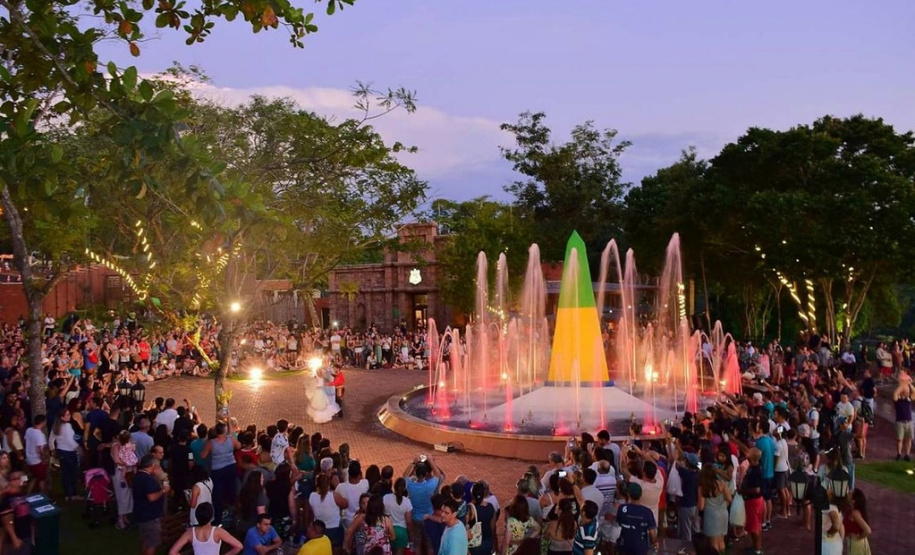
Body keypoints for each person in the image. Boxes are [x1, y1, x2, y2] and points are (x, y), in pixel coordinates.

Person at [168, 502, 243, 555]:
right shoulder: (217, 531)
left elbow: (172, 552)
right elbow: (238, 546)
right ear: (211, 516)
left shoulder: (190, 532)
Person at [134, 453, 170, 555]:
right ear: (153, 464)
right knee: (152, 543)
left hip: (140, 513)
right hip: (150, 515)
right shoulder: (148, 479)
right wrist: (163, 491)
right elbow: (151, 497)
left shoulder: (138, 476)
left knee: (145, 541)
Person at [614, 483, 658, 555]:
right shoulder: (647, 512)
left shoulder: (622, 508)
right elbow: (652, 532)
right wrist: (655, 542)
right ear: (640, 495)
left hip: (625, 544)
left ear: (628, 494)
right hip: (640, 546)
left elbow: (619, 523)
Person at [697, 463, 731, 554]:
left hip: (711, 515)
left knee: (713, 543)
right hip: (723, 512)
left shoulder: (703, 487)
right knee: (721, 540)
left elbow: (701, 506)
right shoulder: (722, 483)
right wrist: (723, 506)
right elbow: (729, 498)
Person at [740, 448, 765, 555]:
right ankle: (756, 547)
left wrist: (742, 491)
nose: (747, 453)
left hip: (753, 501)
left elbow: (757, 489)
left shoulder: (756, 471)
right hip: (754, 500)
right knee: (755, 525)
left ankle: (757, 550)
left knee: (755, 527)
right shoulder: (754, 467)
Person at [383, 478, 413, 555]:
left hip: (389, 530)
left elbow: (384, 514)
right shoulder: (407, 502)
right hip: (402, 532)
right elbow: (409, 522)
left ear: (394, 487)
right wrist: (410, 536)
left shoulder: (386, 498)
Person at [468, 482, 497, 555]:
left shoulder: (470, 508)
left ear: (472, 494)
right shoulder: (490, 507)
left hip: (475, 544)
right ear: (484, 494)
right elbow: (493, 528)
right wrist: (493, 542)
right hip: (487, 542)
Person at [23, 414, 49, 495]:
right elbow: (40, 450)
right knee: (42, 479)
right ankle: (43, 495)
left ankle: (28, 494)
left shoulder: (29, 430)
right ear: (42, 422)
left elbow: (25, 441)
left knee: (34, 477)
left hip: (29, 459)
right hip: (37, 461)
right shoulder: (40, 435)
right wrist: (43, 459)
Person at [843, 488, 872, 555]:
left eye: (849, 494)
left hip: (857, 544)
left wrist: (858, 538)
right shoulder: (851, 510)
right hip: (853, 543)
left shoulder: (855, 514)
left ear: (853, 501)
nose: (847, 494)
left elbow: (868, 530)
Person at [893, 372, 914, 461]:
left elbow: (914, 392)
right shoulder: (897, 400)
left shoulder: (909, 399)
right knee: (900, 439)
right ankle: (899, 453)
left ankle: (907, 454)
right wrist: (902, 385)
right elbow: (895, 393)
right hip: (900, 421)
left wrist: (909, 384)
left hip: (909, 421)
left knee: (909, 439)